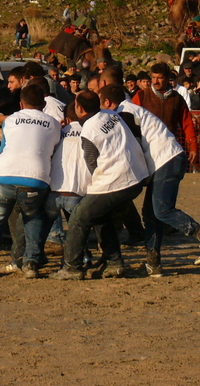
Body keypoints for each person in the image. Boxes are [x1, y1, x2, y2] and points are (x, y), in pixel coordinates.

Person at [105, 84, 200, 274]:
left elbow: (134, 147)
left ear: (107, 102)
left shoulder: (124, 113)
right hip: (167, 159)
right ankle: (153, 264)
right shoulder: (130, 110)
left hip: (166, 160)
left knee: (162, 210)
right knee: (151, 214)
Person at [53, 91, 147, 280]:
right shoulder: (112, 115)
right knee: (100, 216)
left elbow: (91, 161)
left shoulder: (88, 129)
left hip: (114, 181)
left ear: (79, 108)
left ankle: (72, 267)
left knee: (79, 217)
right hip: (137, 176)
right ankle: (114, 263)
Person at [0, 83, 61, 278]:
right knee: (33, 218)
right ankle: (30, 262)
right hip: (35, 178)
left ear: (21, 104)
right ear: (43, 104)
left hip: (4, 175)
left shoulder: (11, 120)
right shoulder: (53, 123)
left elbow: (5, 147)